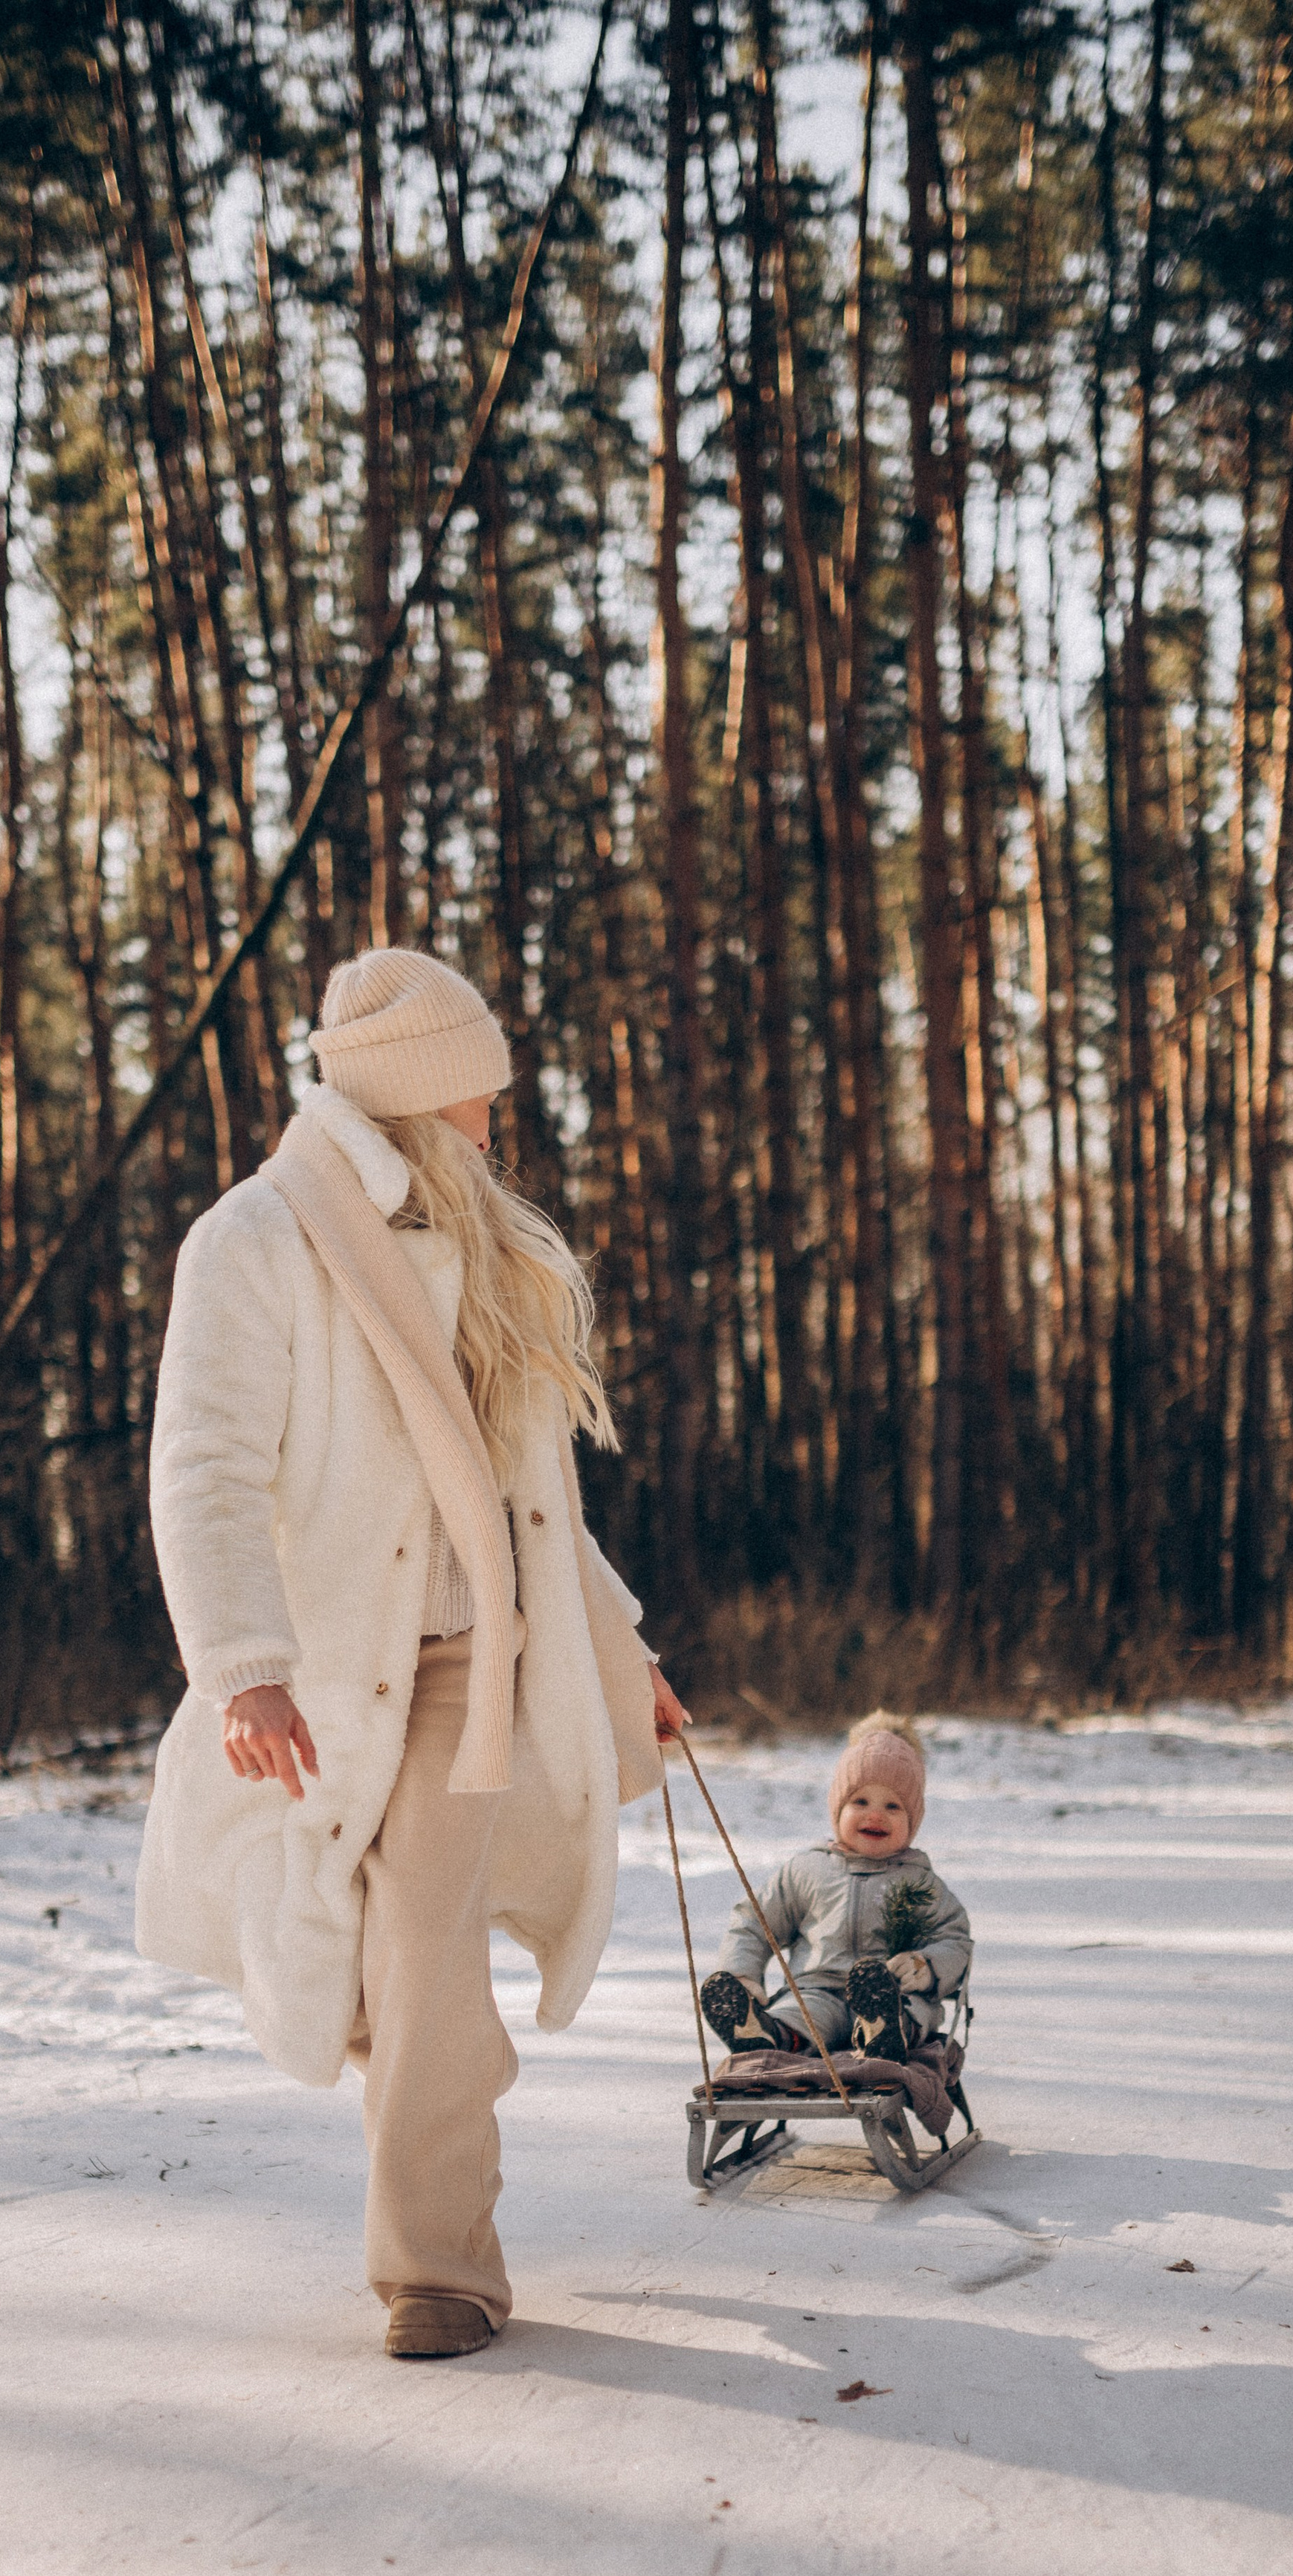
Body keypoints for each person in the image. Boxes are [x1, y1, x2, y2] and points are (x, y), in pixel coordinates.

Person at [135, 949, 688, 2362]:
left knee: (426, 1944)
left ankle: (436, 2266)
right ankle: (436, 2101)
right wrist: (243, 1664)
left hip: (473, 1666)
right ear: (423, 1097)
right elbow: (201, 1469)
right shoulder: (255, 1242)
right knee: (381, 1965)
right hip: (325, 1672)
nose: (498, 1123)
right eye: (482, 1099)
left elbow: (536, 1502)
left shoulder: (487, 1250)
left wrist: (622, 1654)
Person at [697, 1712, 970, 2064]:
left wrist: (927, 1965)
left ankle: (886, 2033)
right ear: (837, 1807)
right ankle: (766, 2036)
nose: (876, 1815)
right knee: (800, 2014)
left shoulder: (919, 1882)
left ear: (913, 1818)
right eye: (860, 1802)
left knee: (910, 2010)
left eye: (893, 1806)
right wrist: (743, 1974)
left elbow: (955, 1940)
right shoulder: (808, 1870)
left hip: (894, 1992)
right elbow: (754, 1923)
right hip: (817, 1990)